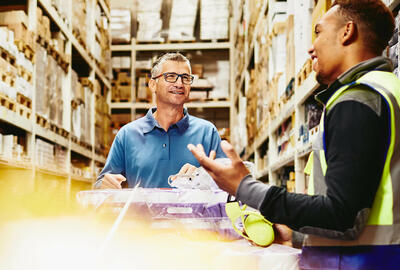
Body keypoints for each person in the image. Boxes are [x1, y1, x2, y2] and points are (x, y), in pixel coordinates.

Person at [188, 0, 400, 268]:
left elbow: (343, 215)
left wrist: (244, 187)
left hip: (361, 262)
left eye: (318, 32)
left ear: (347, 32)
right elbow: (360, 205)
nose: (311, 47)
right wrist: (295, 234)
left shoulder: (358, 100)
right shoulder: (387, 89)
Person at [95, 52, 225, 189]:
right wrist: (104, 185)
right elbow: (101, 186)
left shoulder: (207, 132)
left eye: (185, 78)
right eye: (171, 77)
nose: (179, 83)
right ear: (153, 85)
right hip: (140, 211)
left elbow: (227, 186)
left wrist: (202, 176)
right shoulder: (128, 135)